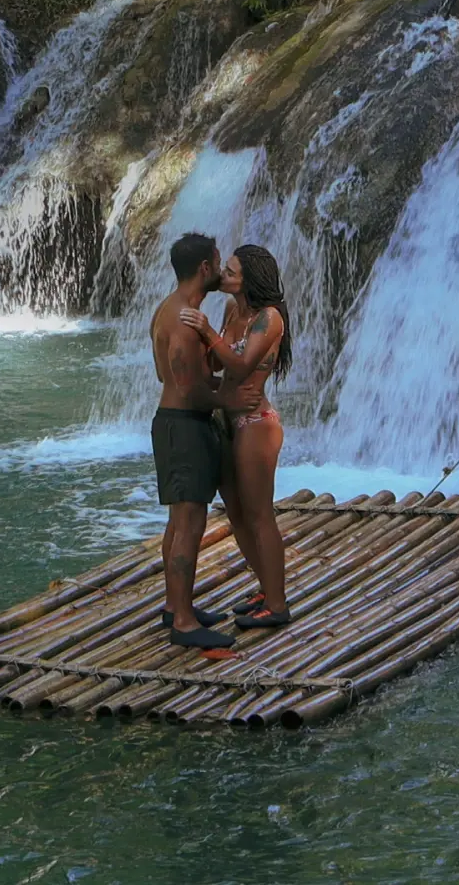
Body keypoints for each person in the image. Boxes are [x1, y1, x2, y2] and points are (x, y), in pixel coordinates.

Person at [149, 232, 262, 649]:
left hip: (176, 423)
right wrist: (228, 398)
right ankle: (182, 622)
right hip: (184, 427)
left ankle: (174, 606)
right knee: (189, 524)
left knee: (178, 521)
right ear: (204, 268)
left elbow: (166, 376)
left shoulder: (171, 309)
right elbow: (187, 387)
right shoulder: (183, 321)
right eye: (217, 262)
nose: (221, 269)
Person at [179, 244, 293, 630]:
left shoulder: (269, 318)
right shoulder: (232, 309)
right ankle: (266, 587)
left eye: (230, 271)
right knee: (238, 515)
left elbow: (242, 366)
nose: (222, 275)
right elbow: (218, 360)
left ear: (249, 278)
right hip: (227, 419)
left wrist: (206, 330)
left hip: (255, 424)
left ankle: (277, 605)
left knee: (260, 515)